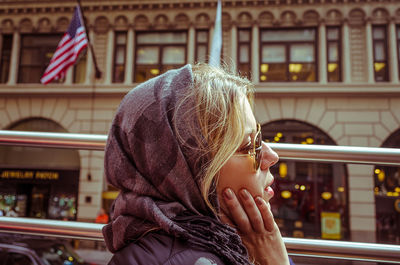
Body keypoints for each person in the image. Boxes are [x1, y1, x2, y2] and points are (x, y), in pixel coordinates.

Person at [103, 64, 294, 265]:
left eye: (260, 138)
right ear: (189, 171)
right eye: (249, 145)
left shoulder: (240, 242)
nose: (272, 156)